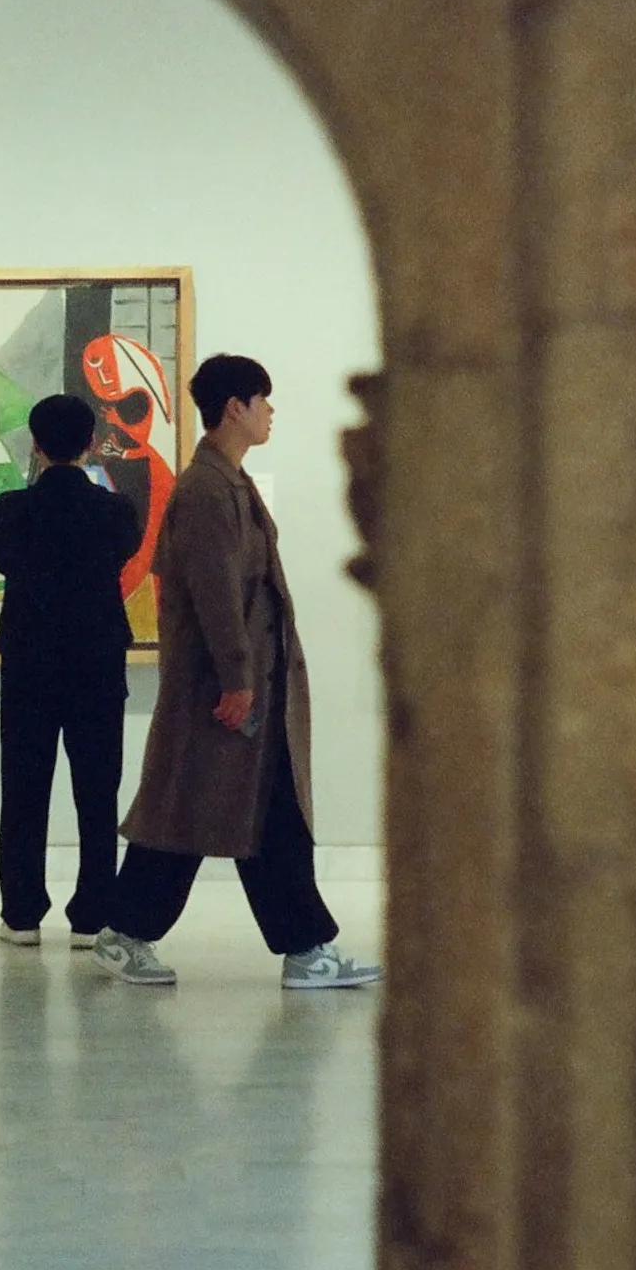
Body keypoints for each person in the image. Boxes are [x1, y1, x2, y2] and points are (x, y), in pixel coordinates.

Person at [93, 354, 381, 990]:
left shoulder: (226, 482)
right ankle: (298, 949)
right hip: (225, 692)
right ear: (235, 409)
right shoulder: (205, 490)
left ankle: (294, 946)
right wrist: (238, 680)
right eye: (264, 401)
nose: (271, 413)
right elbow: (217, 593)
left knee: (228, 810)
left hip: (244, 687)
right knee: (200, 810)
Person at [0, 392, 143, 949]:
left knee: (24, 790)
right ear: (91, 444)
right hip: (97, 665)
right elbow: (122, 551)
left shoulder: (10, 511)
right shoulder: (116, 512)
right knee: (98, 794)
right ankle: (92, 914)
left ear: (35, 444)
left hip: (29, 667)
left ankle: (22, 914)